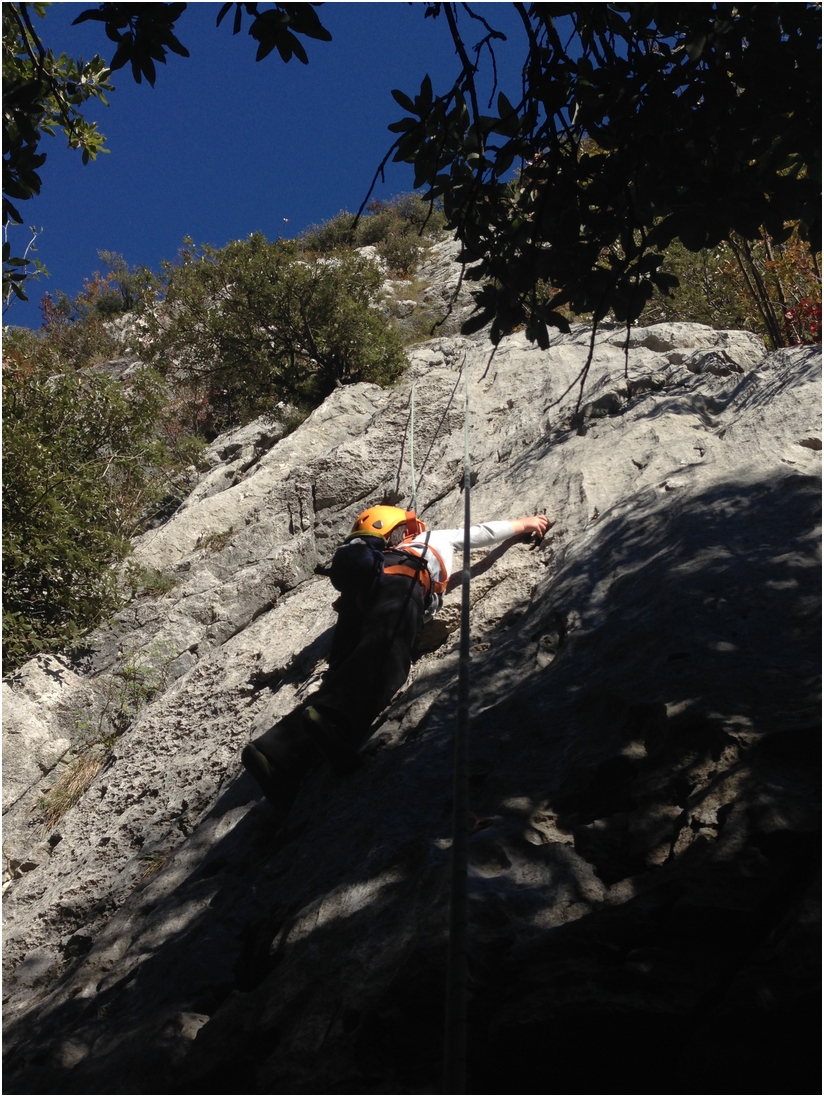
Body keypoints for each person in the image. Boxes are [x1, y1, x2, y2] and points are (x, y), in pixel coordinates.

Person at [242, 505, 550, 814]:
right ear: (400, 531)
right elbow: (477, 534)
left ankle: (275, 753)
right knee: (388, 661)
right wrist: (524, 523)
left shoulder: (373, 562)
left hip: (356, 603)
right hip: (401, 586)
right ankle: (335, 724)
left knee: (344, 674)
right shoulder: (427, 539)